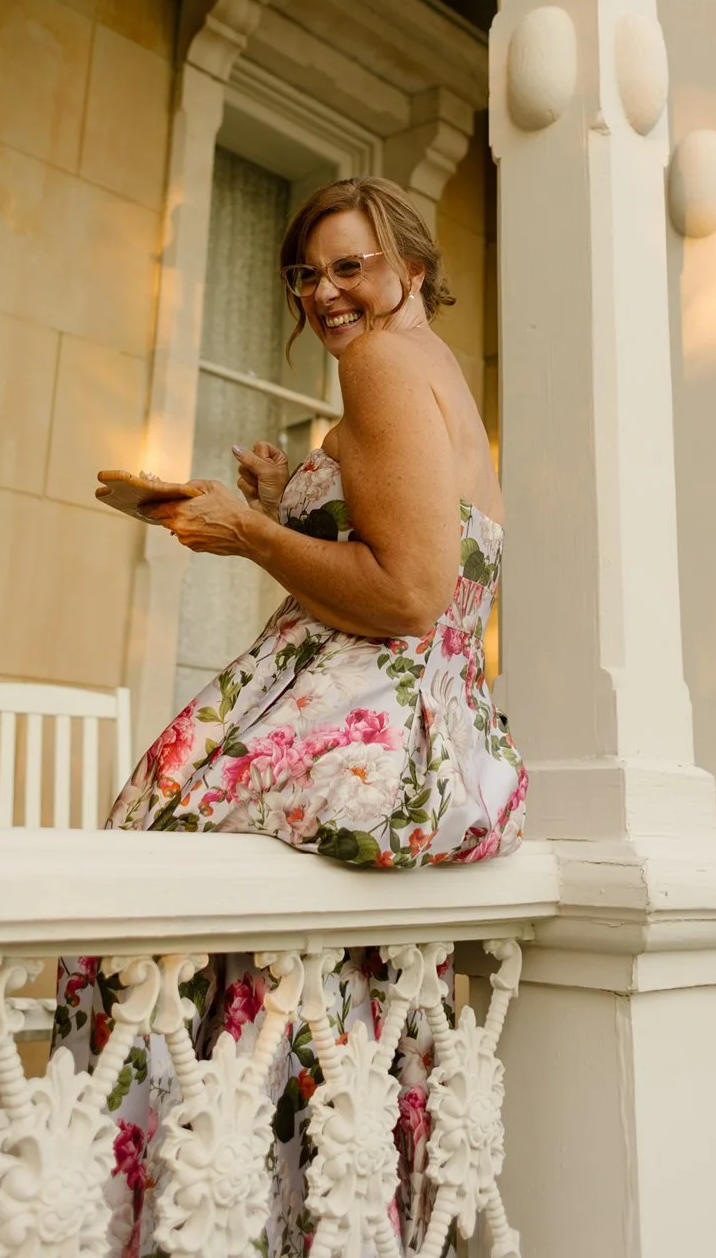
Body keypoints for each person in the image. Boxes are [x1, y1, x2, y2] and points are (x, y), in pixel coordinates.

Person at [56, 176, 526, 1256]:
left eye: (350, 265)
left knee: (132, 920)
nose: (324, 291)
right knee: (297, 997)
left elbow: (407, 598)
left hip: (359, 745)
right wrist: (279, 506)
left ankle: (173, 1221)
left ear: (410, 270)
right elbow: (399, 563)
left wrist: (247, 536)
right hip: (421, 742)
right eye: (306, 273)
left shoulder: (382, 364)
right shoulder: (432, 375)